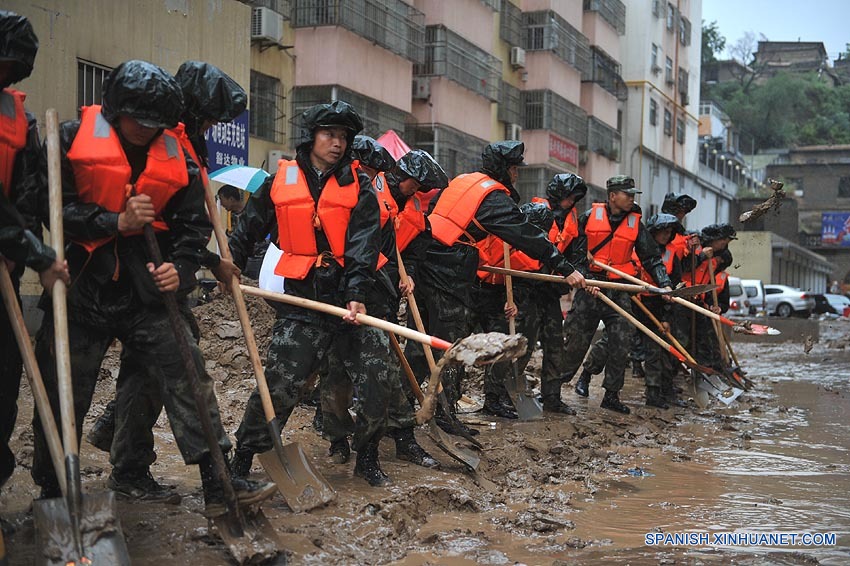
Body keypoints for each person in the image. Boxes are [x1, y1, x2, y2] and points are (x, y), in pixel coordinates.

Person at [27, 60, 273, 516]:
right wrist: (112, 221)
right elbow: (48, 208)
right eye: (138, 122)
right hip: (82, 287)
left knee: (187, 372)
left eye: (155, 125)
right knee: (64, 387)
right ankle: (54, 489)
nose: (146, 131)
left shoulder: (174, 151)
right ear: (116, 110)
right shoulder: (66, 139)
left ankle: (218, 481)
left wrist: (182, 267)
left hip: (147, 289)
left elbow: (190, 225)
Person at [84, 61, 249, 501]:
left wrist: (211, 261)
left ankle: (120, 446)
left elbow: (184, 222)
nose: (214, 126)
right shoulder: (163, 136)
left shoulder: (184, 145)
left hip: (163, 274)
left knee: (154, 368)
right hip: (127, 275)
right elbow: (158, 222)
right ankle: (126, 459)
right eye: (211, 117)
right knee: (171, 364)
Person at [227, 101, 395, 487]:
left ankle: (367, 456)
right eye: (329, 135)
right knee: (279, 385)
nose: (337, 143)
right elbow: (247, 230)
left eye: (343, 137)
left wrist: (355, 293)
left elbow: (363, 246)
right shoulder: (279, 181)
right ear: (312, 137)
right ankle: (244, 457)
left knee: (377, 377)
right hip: (302, 300)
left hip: (349, 302)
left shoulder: (360, 186)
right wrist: (230, 264)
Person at [415, 141, 586, 429]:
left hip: (427, 262)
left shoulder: (463, 181)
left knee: (424, 342)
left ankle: (413, 405)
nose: (516, 174)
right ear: (502, 169)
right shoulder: (492, 197)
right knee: (451, 343)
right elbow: (526, 235)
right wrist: (564, 266)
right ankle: (444, 415)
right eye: (514, 168)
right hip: (449, 273)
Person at [318, 136, 441, 470]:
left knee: (385, 373)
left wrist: (408, 274)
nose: (416, 190)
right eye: (414, 183)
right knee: (337, 374)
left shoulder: (411, 208)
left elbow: (411, 251)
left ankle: (396, 441)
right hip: (343, 296)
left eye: (421, 187)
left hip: (381, 300)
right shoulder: (366, 194)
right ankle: (338, 440)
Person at [0, 9, 70, 490]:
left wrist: (21, 248)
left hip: (2, 269)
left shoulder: (18, 120)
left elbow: (21, 200)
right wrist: (38, 256)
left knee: (4, 389)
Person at [563, 175, 671, 414]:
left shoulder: (635, 224)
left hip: (620, 289)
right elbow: (575, 256)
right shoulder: (588, 218)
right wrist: (585, 279)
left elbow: (651, 258)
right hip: (589, 288)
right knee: (575, 343)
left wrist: (664, 284)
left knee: (622, 341)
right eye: (627, 193)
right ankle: (552, 391)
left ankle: (611, 394)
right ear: (612, 196)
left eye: (633, 194)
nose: (632, 198)